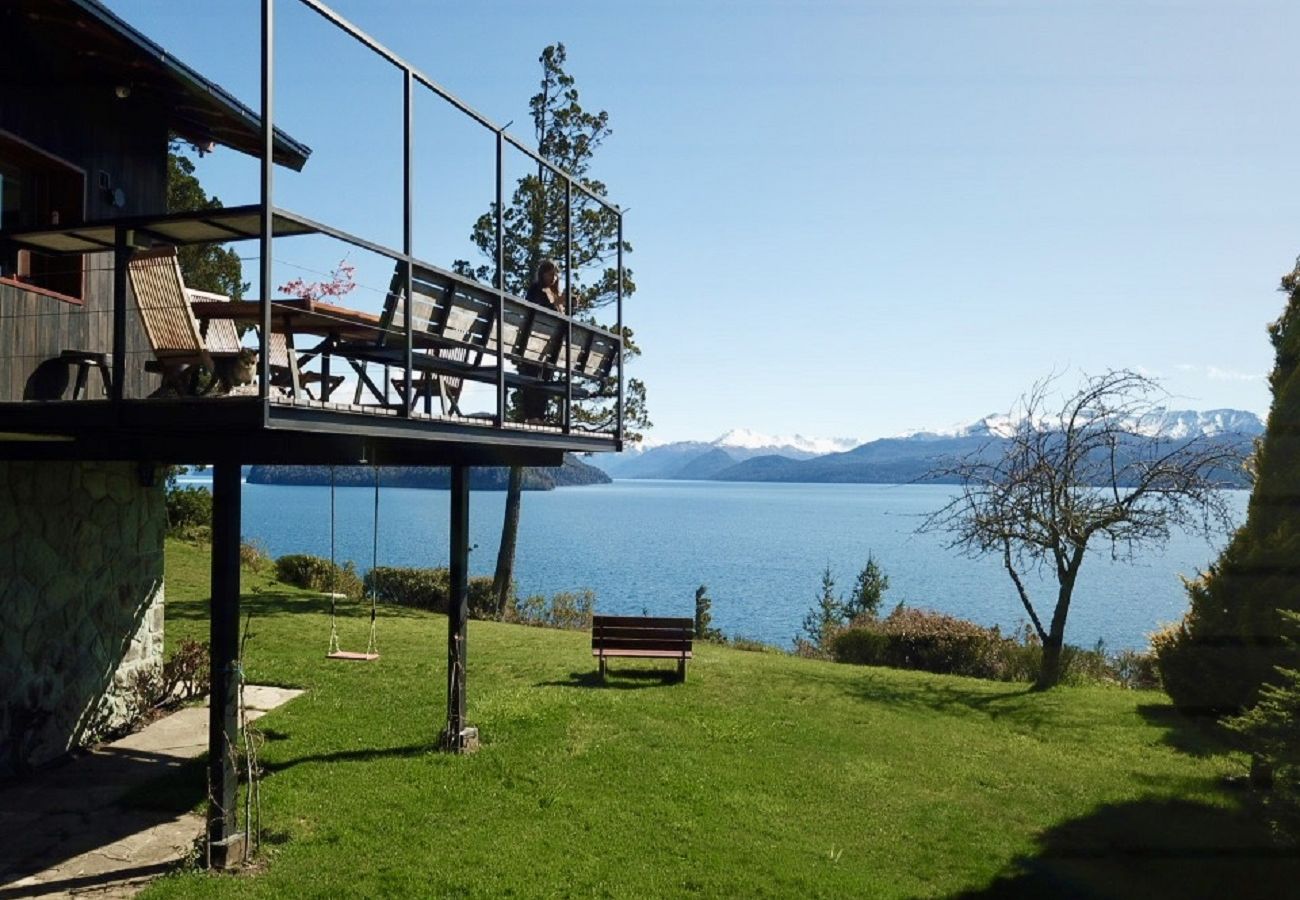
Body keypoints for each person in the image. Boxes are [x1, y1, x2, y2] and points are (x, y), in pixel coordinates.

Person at [519, 259, 566, 423]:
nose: (554, 277)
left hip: (549, 345)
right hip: (534, 341)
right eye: (550, 274)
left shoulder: (553, 293)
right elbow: (538, 309)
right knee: (533, 376)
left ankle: (539, 415)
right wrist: (557, 303)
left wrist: (564, 305)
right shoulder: (536, 289)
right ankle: (532, 415)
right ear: (542, 274)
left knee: (546, 378)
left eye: (556, 274)